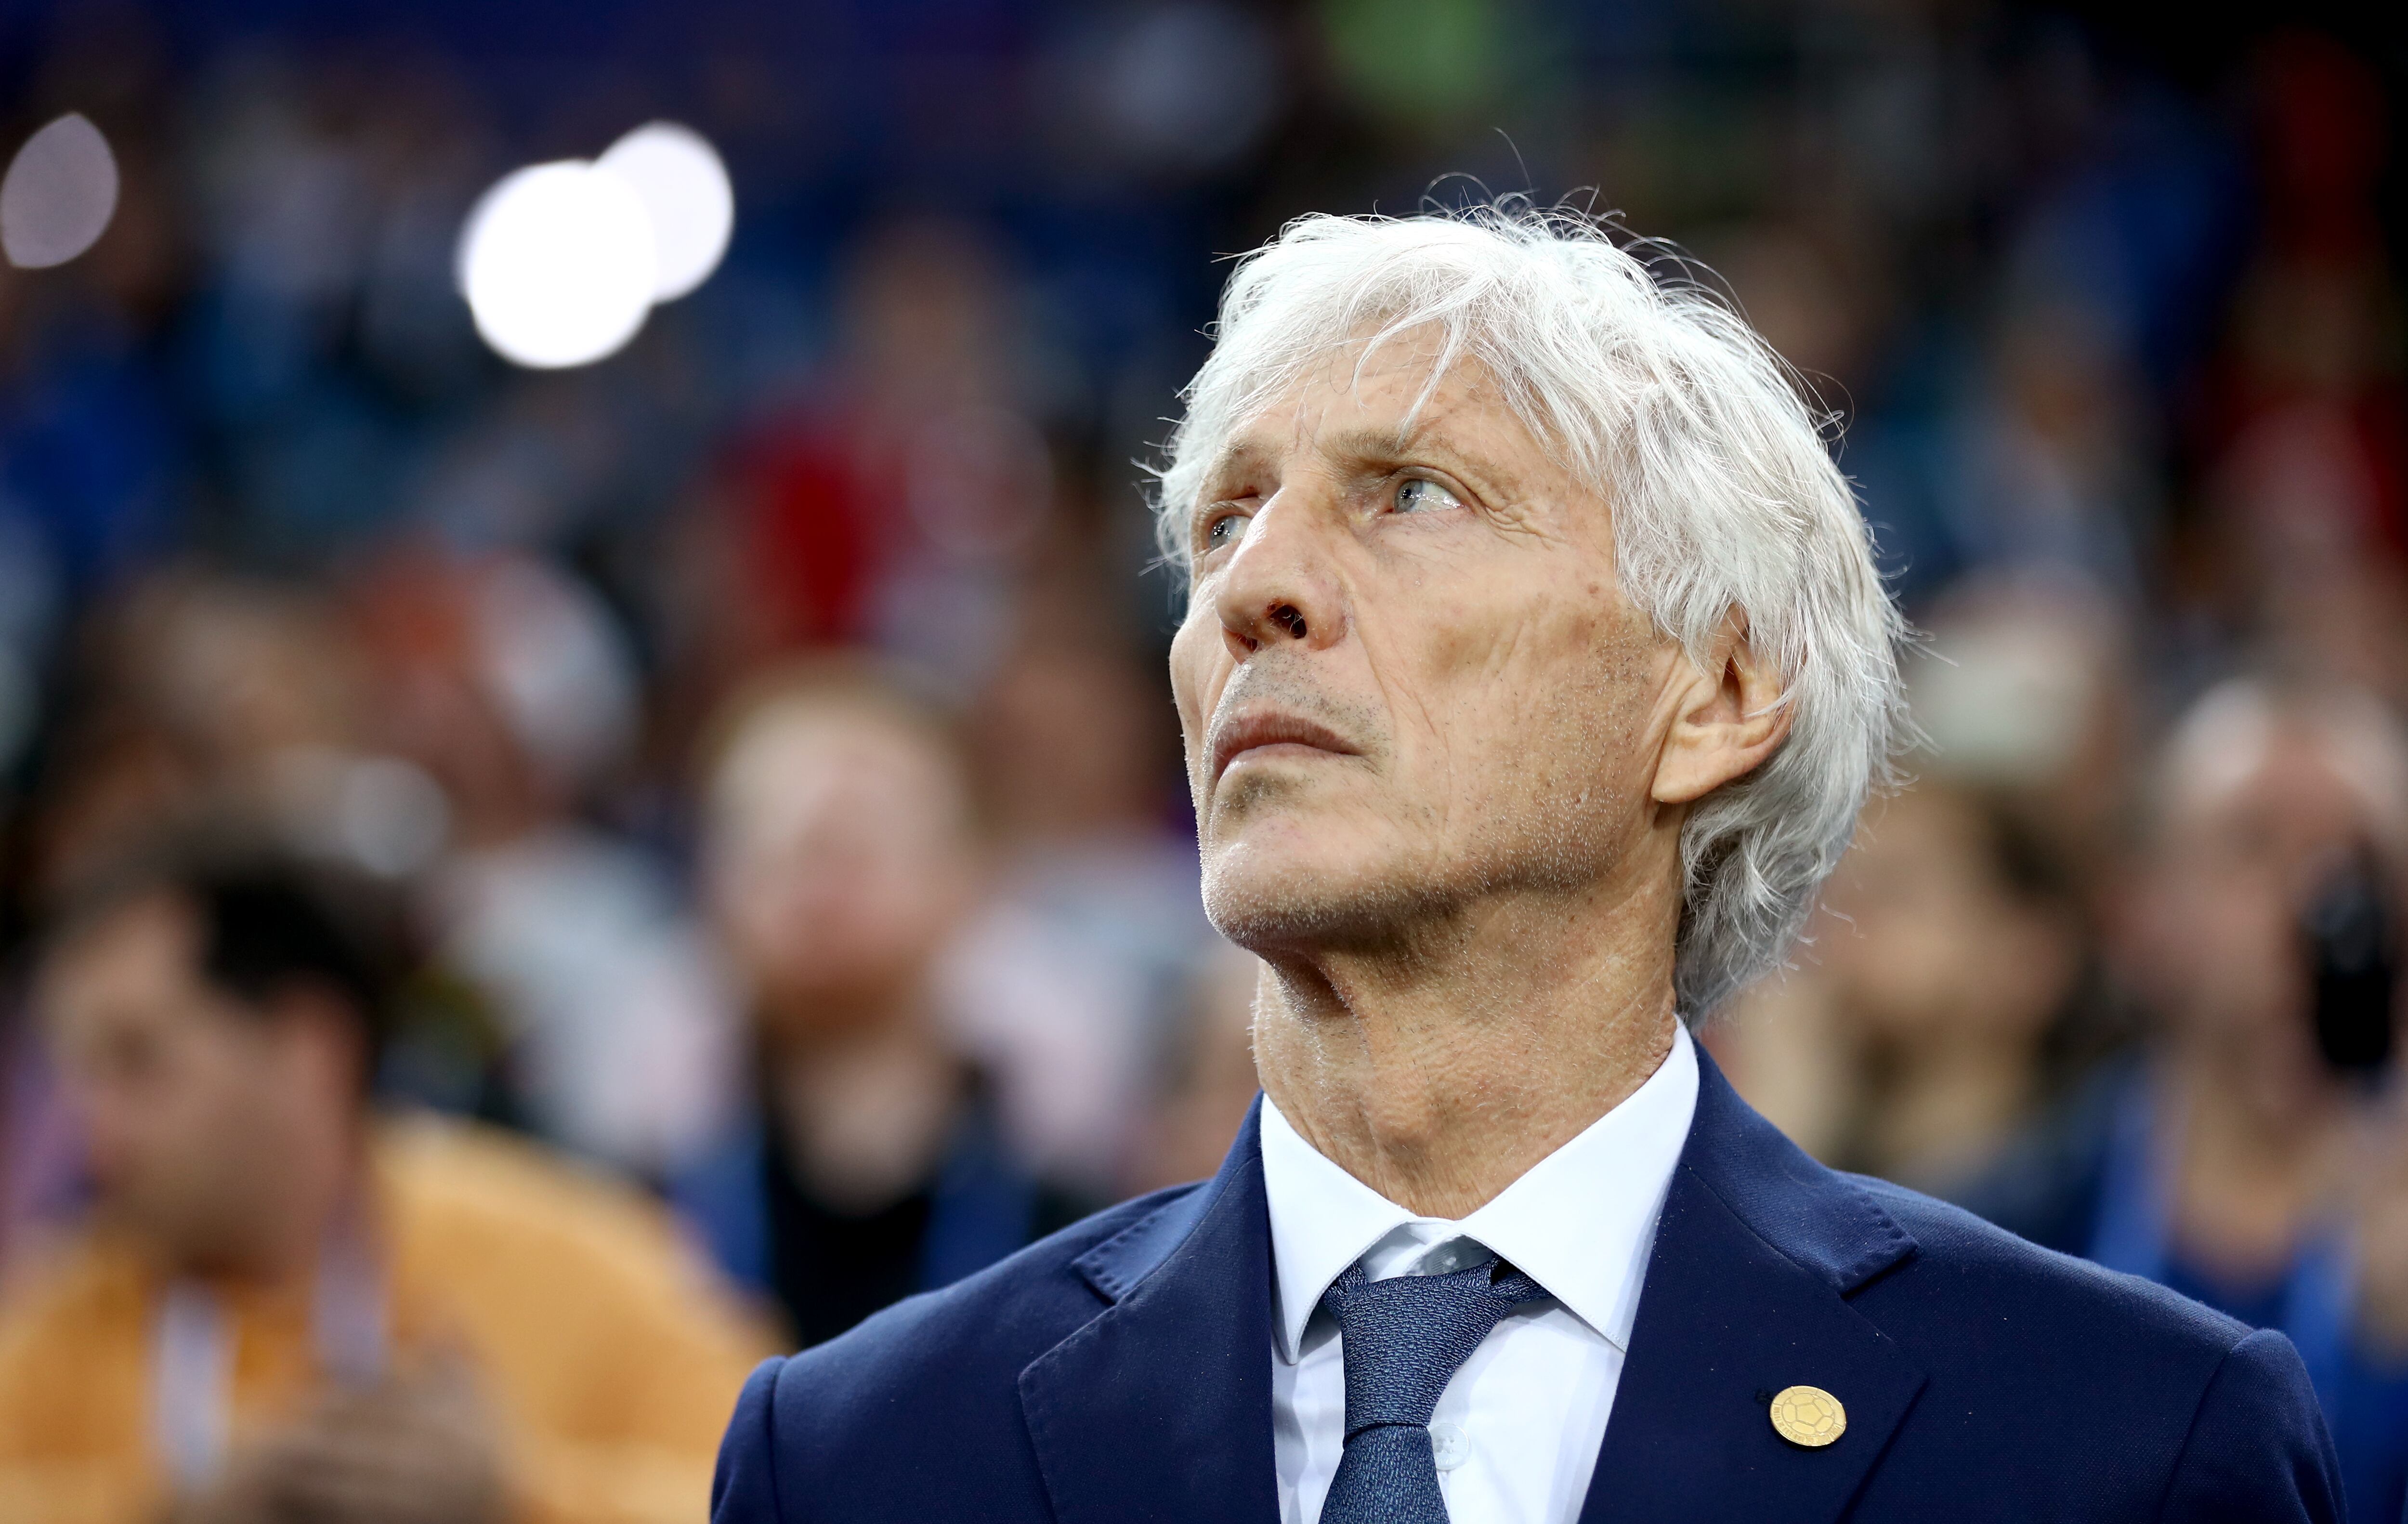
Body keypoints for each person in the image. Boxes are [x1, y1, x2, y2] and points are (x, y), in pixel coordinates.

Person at [710, 206, 2340, 1524]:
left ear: (1708, 696)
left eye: (1410, 494)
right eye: (1224, 522)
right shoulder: (858, 1456)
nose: (1252, 589)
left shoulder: (2124, 1445)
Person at [0, 826, 766, 1524]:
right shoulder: (66, 1310)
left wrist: (517, 1499)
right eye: (77, 1077)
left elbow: (785, 1489)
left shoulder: (567, 1256)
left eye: (138, 1062)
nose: (90, 1132)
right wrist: (165, 1514)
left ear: (309, 1050)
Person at [1963, 676, 2408, 1521]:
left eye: (2361, 862)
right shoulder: (1999, 1232)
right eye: (2255, 846)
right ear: (2136, 915)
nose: (2322, 903)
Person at [671, 659, 1086, 1350]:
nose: (817, 869)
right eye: (774, 834)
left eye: (861, 833)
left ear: (971, 878)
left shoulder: (1070, 1235)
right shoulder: (642, 1215)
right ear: (713, 883)